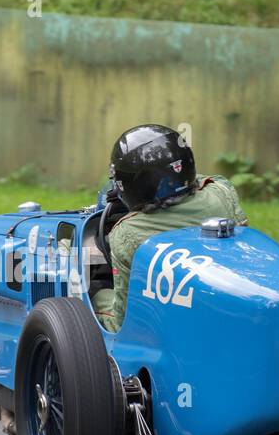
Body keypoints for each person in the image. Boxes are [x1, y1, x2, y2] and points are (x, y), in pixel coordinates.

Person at [92, 124, 247, 331]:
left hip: (166, 321)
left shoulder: (126, 232)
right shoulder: (222, 193)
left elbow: (121, 322)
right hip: (228, 297)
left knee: (98, 294)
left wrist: (95, 295)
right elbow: (207, 180)